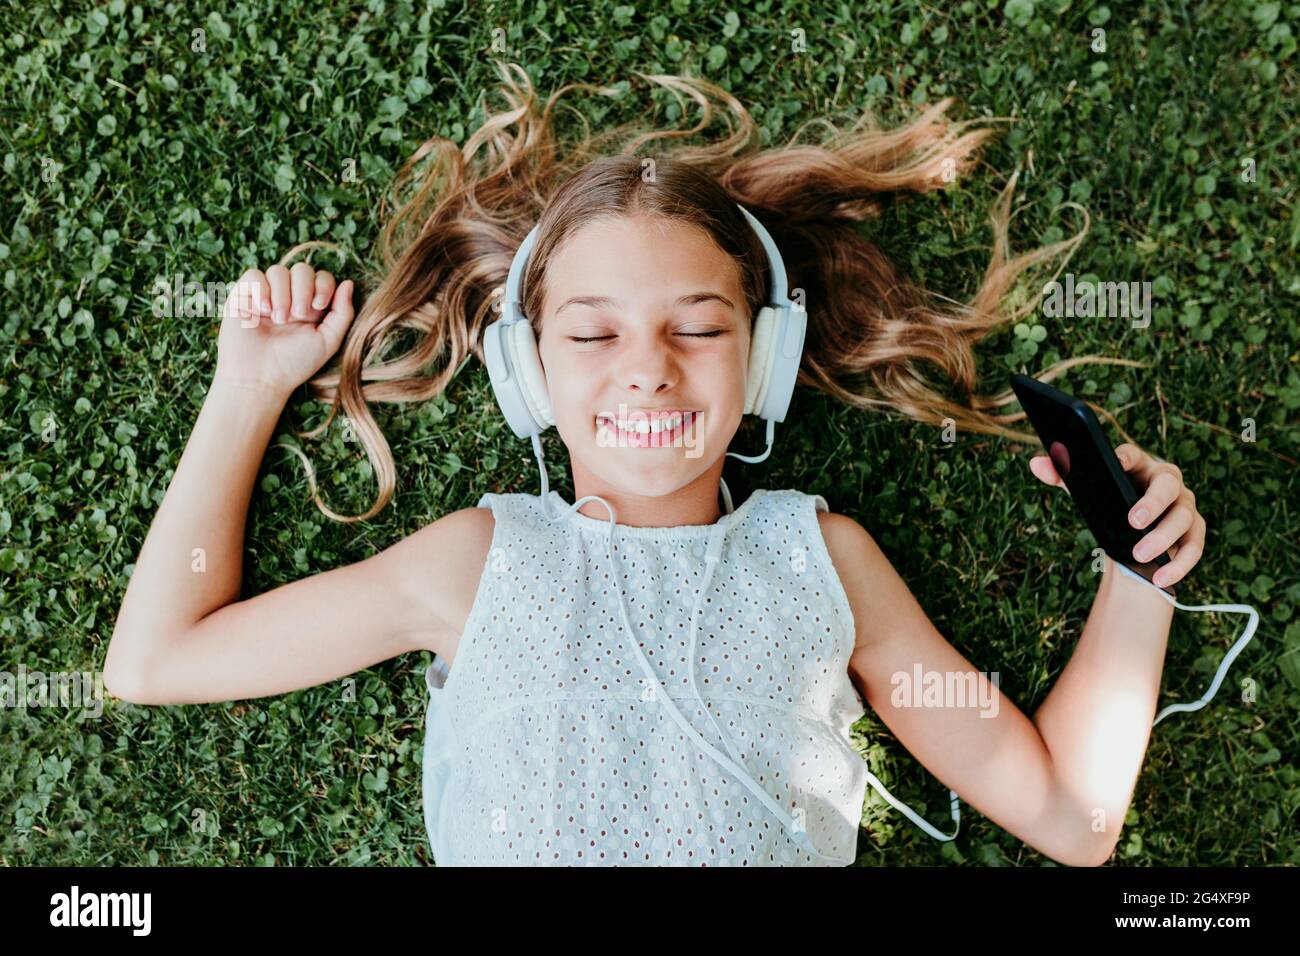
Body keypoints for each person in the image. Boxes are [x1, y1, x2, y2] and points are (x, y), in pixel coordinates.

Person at [104, 63, 1205, 867]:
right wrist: (247, 386)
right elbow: (155, 659)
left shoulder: (823, 560)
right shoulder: (476, 564)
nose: (648, 372)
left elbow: (1070, 812)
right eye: (591, 335)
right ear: (526, 375)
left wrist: (1136, 575)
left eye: (698, 327)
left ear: (764, 358)